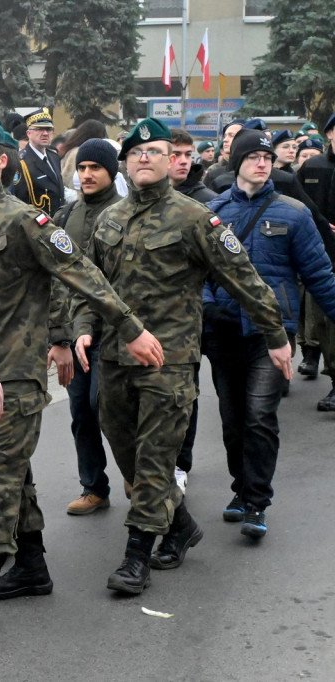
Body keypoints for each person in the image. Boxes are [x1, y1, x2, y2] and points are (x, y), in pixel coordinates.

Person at [0, 121, 158, 620]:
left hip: (16, 374)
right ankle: (31, 566)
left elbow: (82, 276)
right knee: (13, 473)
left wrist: (129, 327)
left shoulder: (27, 221)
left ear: (2, 161)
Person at [73, 118, 291, 595]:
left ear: (172, 160)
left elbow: (242, 276)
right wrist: (82, 330)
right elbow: (91, 284)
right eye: (136, 153)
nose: (144, 159)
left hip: (167, 361)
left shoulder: (195, 217)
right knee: (125, 451)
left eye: (154, 151)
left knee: (154, 458)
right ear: (126, 163)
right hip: (113, 357)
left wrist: (275, 334)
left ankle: (136, 556)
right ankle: (179, 525)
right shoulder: (109, 218)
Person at [205, 128, 335, 539]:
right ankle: (241, 489)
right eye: (253, 157)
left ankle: (257, 501)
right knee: (232, 419)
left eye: (267, 158)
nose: (262, 163)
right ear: (237, 162)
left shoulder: (293, 213)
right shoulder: (211, 213)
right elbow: (198, 271)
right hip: (224, 330)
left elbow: (319, 274)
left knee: (260, 416)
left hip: (272, 333)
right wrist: (208, 305)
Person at [52, 139, 126, 516]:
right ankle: (94, 486)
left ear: (111, 171)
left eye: (95, 167)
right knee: (81, 410)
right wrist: (58, 335)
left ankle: (134, 472)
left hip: (115, 331)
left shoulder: (124, 212)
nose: (87, 175)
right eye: (82, 168)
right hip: (76, 332)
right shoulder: (67, 215)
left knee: (109, 407)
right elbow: (57, 276)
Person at [166, 129, 218, 490]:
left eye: (187, 154)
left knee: (187, 392)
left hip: (191, 319)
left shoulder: (208, 202)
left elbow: (226, 266)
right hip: (145, 320)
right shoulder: (134, 203)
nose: (183, 161)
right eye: (175, 154)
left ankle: (180, 462)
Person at [296, 113, 335, 410]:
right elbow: (297, 205)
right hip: (320, 253)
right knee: (323, 319)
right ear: (329, 135)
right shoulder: (313, 166)